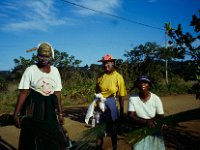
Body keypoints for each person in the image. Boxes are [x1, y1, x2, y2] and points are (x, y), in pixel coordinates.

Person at [12, 42, 66, 150]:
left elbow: (57, 93)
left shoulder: (55, 71)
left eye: (46, 56)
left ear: (50, 57)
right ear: (37, 55)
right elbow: (23, 93)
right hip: (33, 109)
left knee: (52, 138)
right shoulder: (31, 70)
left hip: (50, 110)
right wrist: (16, 114)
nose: (43, 58)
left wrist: (60, 113)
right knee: (32, 139)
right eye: (41, 55)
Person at [95, 54, 127, 150]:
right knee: (98, 129)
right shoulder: (100, 76)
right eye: (104, 63)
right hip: (100, 103)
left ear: (113, 63)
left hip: (111, 103)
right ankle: (98, 148)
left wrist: (121, 112)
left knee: (113, 129)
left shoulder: (118, 77)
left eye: (107, 63)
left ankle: (114, 148)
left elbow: (121, 96)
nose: (105, 65)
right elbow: (97, 91)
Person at [128, 75, 166, 150]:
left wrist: (156, 123)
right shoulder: (132, 98)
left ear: (149, 86)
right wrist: (146, 122)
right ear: (137, 85)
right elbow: (131, 116)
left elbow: (161, 116)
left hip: (153, 128)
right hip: (139, 128)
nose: (142, 85)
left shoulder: (156, 99)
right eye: (140, 83)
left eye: (145, 83)